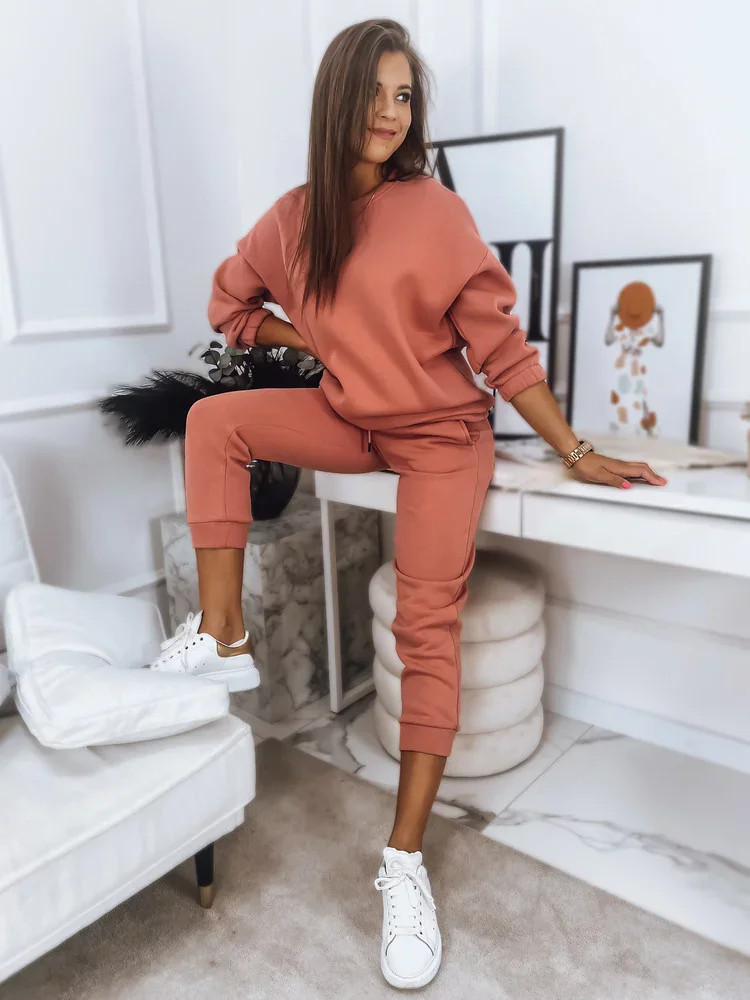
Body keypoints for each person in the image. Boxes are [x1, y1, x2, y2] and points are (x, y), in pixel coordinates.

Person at [149, 18, 667, 990]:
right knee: (215, 421)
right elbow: (231, 307)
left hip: (440, 436)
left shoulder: (434, 212)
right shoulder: (291, 220)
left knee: (425, 626)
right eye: (377, 93)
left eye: (404, 97)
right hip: (352, 418)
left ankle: (403, 862)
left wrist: (574, 449)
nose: (392, 113)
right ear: (337, 98)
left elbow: (501, 351)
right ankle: (222, 632)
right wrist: (309, 342)